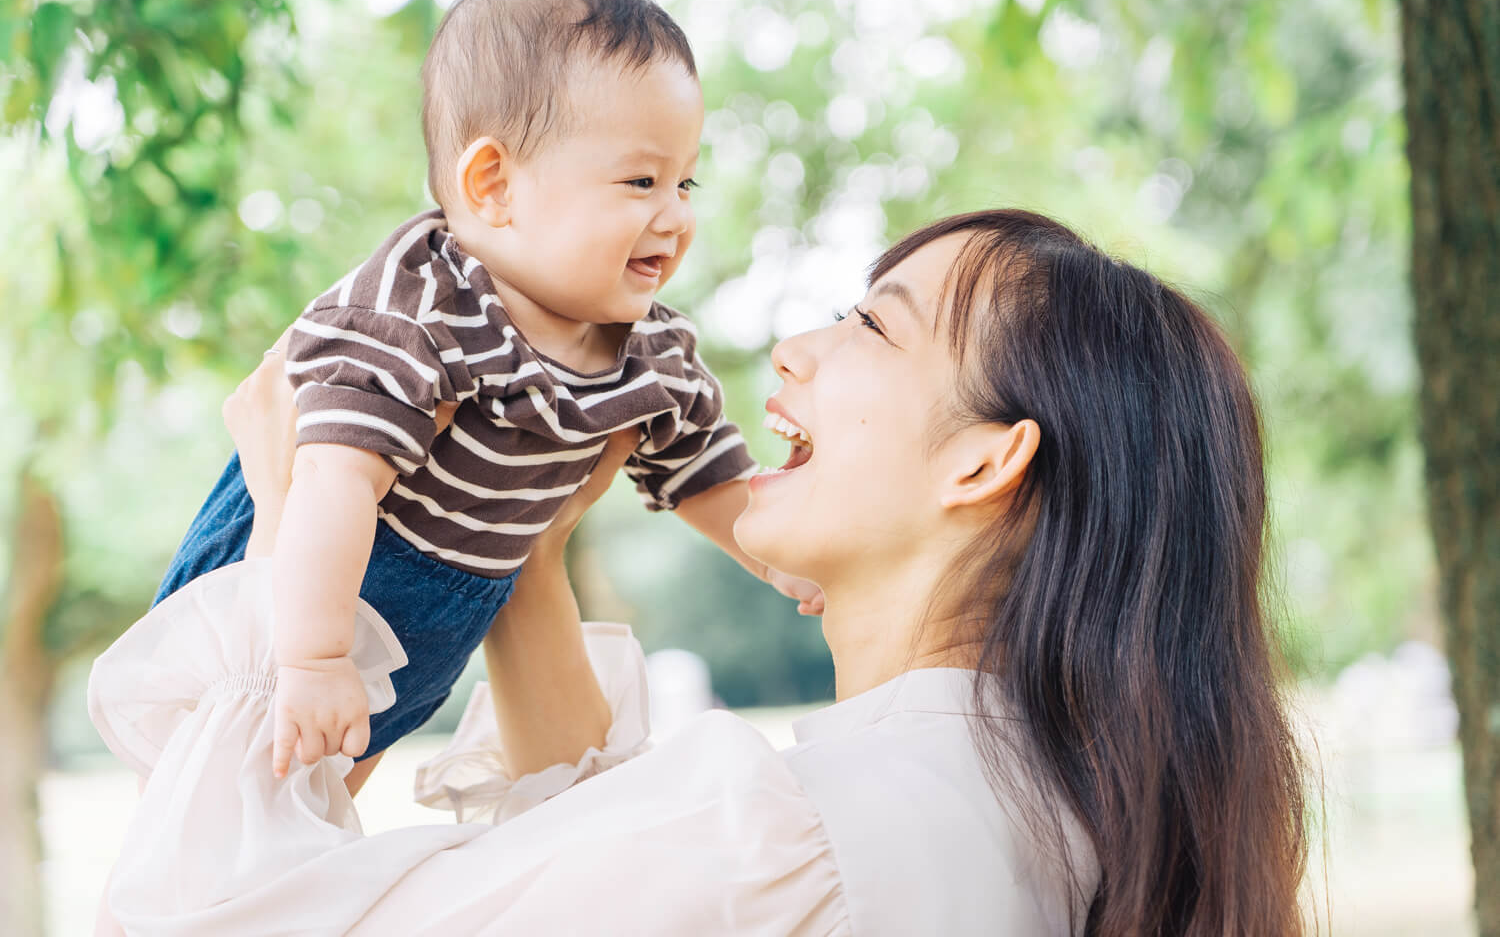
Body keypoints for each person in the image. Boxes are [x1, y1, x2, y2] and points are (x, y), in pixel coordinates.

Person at [90, 209, 1310, 935]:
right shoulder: (1051, 817)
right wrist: (520, 536)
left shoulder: (786, 830)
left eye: (871, 326)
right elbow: (585, 848)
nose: (791, 352)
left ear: (986, 463)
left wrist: (290, 509)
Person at [148, 0, 816, 796]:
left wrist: (788, 561)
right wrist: (313, 657)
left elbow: (709, 477)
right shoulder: (420, 304)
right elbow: (333, 482)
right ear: (493, 185)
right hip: (314, 567)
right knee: (210, 785)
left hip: (449, 612)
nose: (676, 214)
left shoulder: (652, 353)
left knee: (310, 805)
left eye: (686, 181)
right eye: (642, 181)